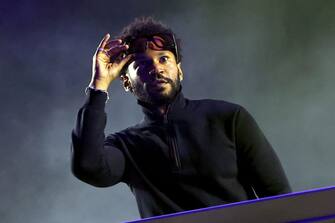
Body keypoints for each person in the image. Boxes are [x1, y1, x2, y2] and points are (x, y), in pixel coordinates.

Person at [71, 17, 291, 218]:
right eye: (142, 64)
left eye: (164, 59)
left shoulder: (228, 118)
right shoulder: (126, 146)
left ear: (179, 70)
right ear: (127, 83)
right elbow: (87, 166)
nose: (156, 69)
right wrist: (98, 87)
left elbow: (279, 197)